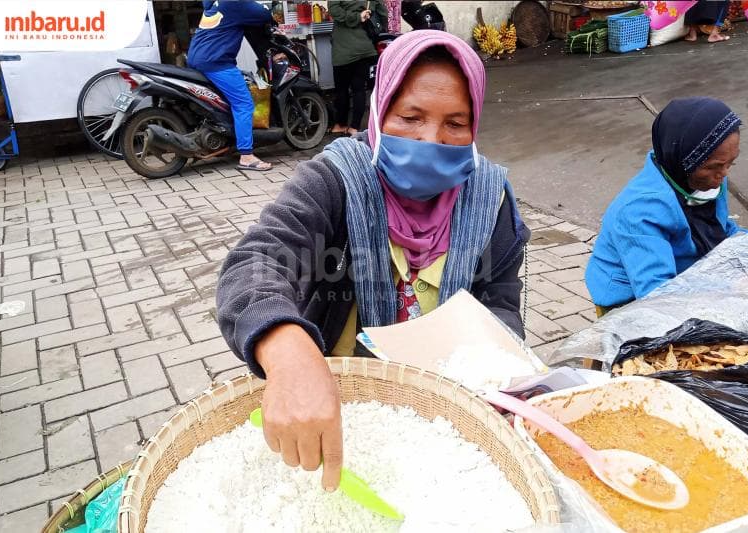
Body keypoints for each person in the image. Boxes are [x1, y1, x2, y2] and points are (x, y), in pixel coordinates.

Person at [217, 30, 529, 491]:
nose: (431, 140)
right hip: (340, 404)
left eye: (455, 123)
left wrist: (499, 370)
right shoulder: (335, 179)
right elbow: (257, 262)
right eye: (411, 116)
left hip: (447, 412)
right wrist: (289, 353)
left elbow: (500, 302)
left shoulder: (490, 198)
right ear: (380, 110)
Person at [586, 97, 748, 310]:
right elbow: (657, 294)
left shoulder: (708, 182)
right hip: (631, 301)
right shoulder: (639, 212)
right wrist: (730, 290)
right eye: (714, 166)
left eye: (731, 162)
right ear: (683, 160)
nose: (723, 174)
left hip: (688, 279)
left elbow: (724, 232)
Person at [187, 0, 274, 171]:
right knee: (244, 104)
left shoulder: (214, 3)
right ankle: (247, 156)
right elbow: (264, 13)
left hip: (198, 58)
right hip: (216, 62)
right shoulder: (235, 2)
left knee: (228, 98)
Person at [328, 0, 388, 136]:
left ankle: (340, 125)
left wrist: (355, 17)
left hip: (343, 51)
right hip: (365, 49)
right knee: (359, 89)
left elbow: (334, 11)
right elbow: (383, 14)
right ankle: (354, 127)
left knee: (342, 89)